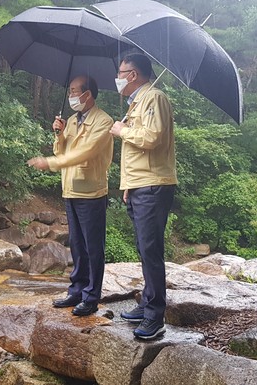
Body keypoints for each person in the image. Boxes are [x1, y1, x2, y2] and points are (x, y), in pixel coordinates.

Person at [28, 75, 113, 317]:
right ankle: (76, 290)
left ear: (88, 94)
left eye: (75, 91)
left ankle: (91, 296)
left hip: (91, 192)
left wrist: (50, 163)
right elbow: (64, 150)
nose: (71, 95)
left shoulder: (103, 121)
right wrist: (59, 134)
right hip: (70, 190)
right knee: (76, 245)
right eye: (70, 91)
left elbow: (84, 154)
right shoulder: (74, 120)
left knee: (93, 247)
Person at [109, 53, 177, 340]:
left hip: (153, 185)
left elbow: (151, 138)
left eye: (121, 72)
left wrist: (122, 129)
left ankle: (155, 316)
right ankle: (147, 302)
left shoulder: (155, 98)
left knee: (151, 251)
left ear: (133, 74)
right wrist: (128, 185)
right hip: (139, 185)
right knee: (143, 248)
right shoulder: (137, 101)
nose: (118, 77)